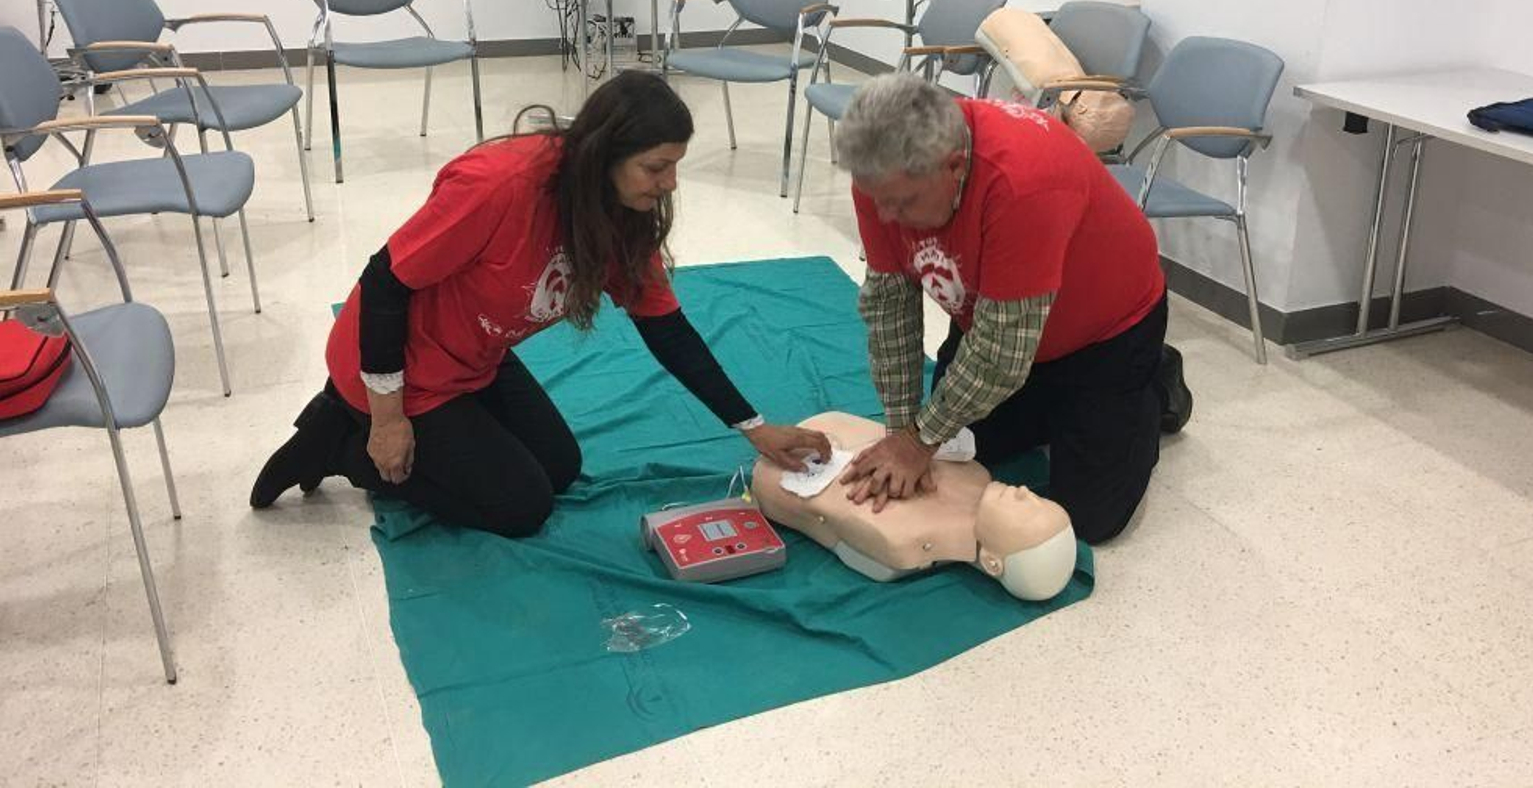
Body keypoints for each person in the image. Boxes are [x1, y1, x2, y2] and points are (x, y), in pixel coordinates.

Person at [250, 71, 829, 537]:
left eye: (675, 165)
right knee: (520, 508)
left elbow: (667, 329)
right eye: (657, 167)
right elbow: (384, 283)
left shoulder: (618, 216)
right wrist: (387, 418)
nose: (670, 183)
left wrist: (753, 428)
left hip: (476, 357)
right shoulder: (499, 185)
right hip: (396, 366)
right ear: (604, 155)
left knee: (559, 470)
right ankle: (338, 442)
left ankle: (359, 426)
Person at [832, 73, 1189, 545]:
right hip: (994, 317)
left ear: (955, 166)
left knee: (1086, 520)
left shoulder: (1023, 180)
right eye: (878, 201)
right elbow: (890, 309)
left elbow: (1000, 355)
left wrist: (919, 441)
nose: (886, 217)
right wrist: (903, 429)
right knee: (965, 452)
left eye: (902, 203)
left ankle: (1155, 383)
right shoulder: (883, 178)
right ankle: (1050, 400)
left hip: (1108, 332)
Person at [752, 411, 1080, 601]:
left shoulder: (902, 542)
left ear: (994, 563)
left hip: (790, 471)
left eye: (1028, 510)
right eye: (1039, 499)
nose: (1025, 491)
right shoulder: (976, 474)